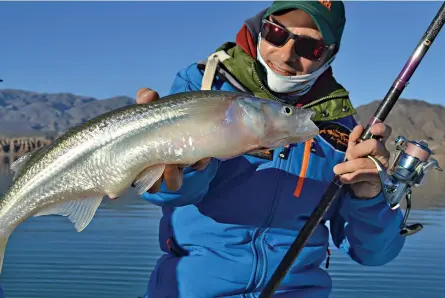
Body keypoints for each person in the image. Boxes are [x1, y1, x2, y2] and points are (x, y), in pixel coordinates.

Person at [135, 1, 406, 297]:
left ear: (329, 55)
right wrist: (181, 169)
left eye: (309, 47)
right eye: (277, 33)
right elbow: (163, 192)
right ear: (261, 29)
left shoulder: (343, 130)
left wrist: (368, 197)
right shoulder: (203, 87)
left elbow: (374, 254)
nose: (286, 54)